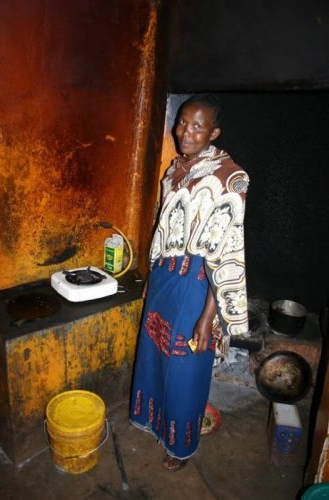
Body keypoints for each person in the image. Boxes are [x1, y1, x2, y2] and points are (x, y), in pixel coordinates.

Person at [130, 94, 249, 471]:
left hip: (197, 282)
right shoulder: (176, 170)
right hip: (166, 275)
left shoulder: (229, 177)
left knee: (185, 363)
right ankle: (152, 420)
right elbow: (161, 229)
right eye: (183, 122)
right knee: (153, 352)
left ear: (214, 132)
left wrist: (207, 315)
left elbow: (228, 250)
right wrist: (152, 275)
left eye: (198, 126)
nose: (187, 132)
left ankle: (180, 445)